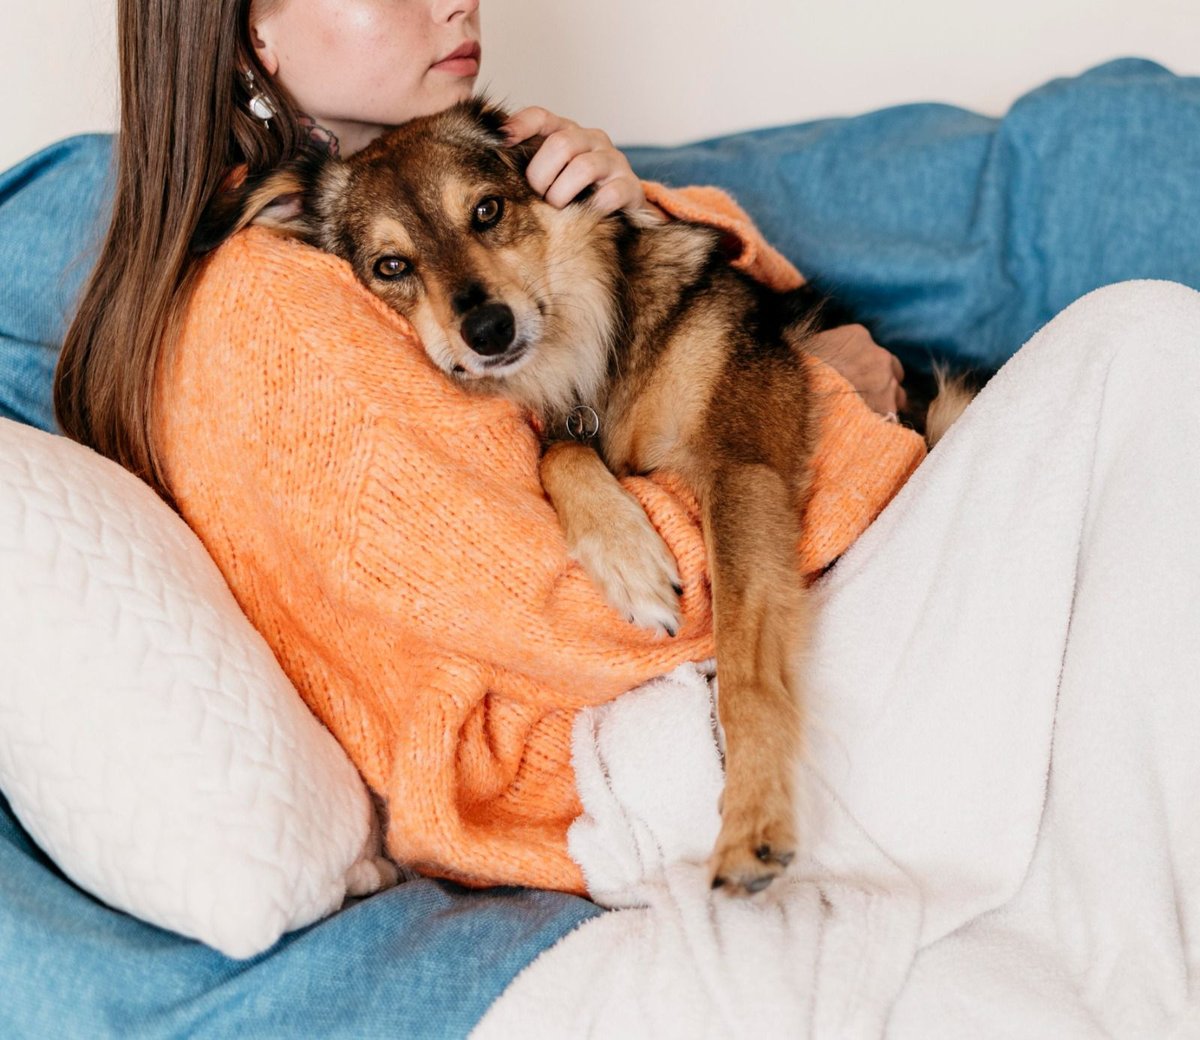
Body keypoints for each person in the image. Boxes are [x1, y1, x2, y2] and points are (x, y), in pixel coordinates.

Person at [48, 0, 926, 891]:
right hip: (620, 774)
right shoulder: (277, 305)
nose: (454, 2)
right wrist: (826, 405)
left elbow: (649, 362)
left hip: (697, 695)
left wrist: (624, 210)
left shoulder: (360, 215)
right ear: (251, 34)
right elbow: (576, 617)